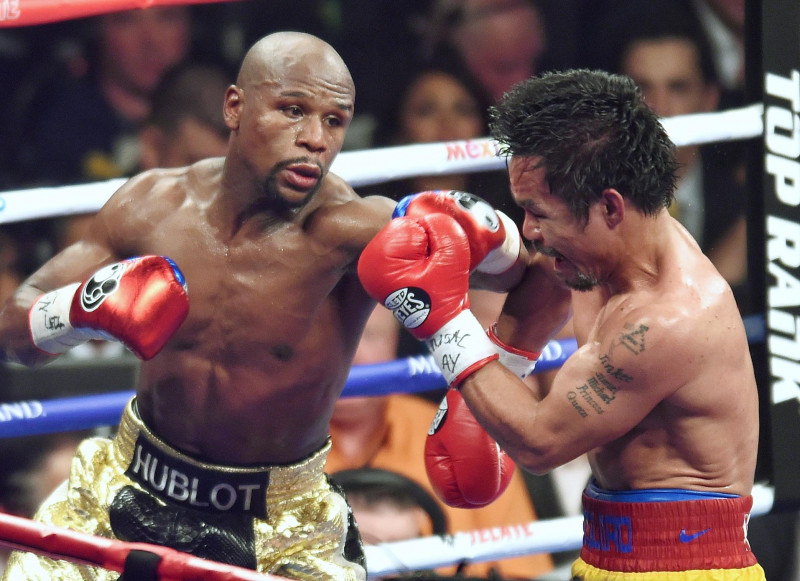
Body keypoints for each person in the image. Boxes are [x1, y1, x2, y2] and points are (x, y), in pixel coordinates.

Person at [0, 30, 525, 581]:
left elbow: (534, 272)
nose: (314, 139)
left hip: (279, 526)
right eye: (293, 110)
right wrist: (79, 310)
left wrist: (496, 365)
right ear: (235, 107)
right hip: (128, 487)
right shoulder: (151, 206)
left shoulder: (355, 231)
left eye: (334, 121)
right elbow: (13, 329)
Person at [358, 69, 764, 580]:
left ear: (609, 206)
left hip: (684, 569)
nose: (529, 229)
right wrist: (500, 269)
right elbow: (544, 285)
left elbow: (540, 442)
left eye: (539, 213)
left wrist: (441, 320)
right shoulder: (610, 249)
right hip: (606, 552)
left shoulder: (668, 321)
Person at [327, 305, 554, 579]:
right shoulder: (278, 446)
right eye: (335, 338)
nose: (352, 356)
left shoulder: (461, 430)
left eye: (369, 336)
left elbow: (523, 571)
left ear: (394, 343)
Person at [607, 2, 749, 308]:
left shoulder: (742, 201)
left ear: (709, 98)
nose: (659, 107)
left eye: (678, 87)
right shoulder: (588, 202)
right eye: (642, 87)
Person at [13, 5, 193, 186]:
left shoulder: (208, 118)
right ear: (97, 31)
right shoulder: (60, 127)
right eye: (126, 19)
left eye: (167, 17)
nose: (151, 41)